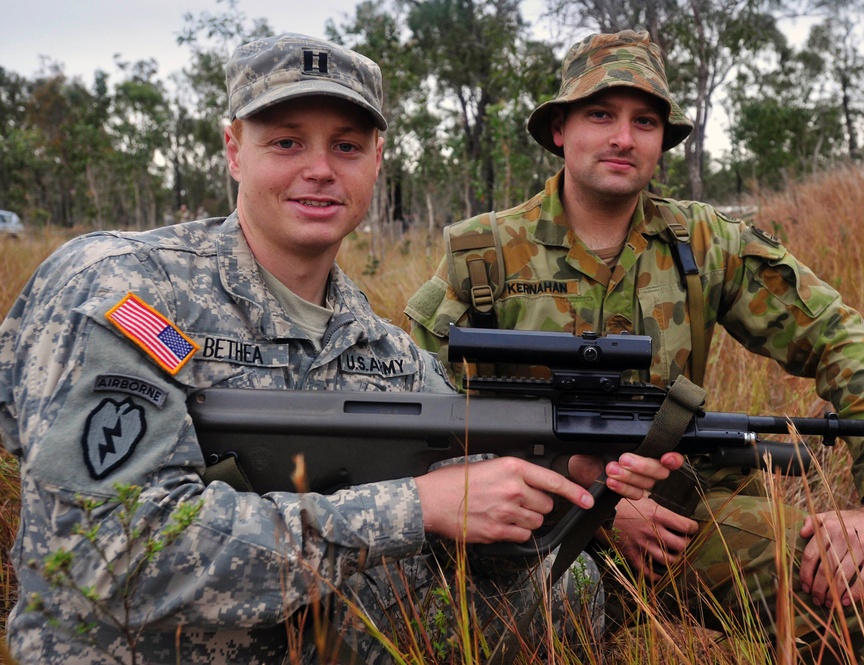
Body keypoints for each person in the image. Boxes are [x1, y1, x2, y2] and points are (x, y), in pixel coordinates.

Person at [0, 33, 682, 664]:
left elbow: (483, 562)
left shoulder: (387, 351)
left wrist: (568, 487)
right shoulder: (123, 287)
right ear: (235, 149)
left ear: (377, 161)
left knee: (577, 591)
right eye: (288, 143)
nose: (321, 170)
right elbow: (106, 555)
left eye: (348, 147)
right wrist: (415, 506)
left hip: (321, 640)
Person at [405, 29, 864, 662]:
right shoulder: (481, 254)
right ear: (559, 131)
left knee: (858, 586)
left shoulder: (706, 243)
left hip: (682, 511)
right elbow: (420, 417)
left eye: (645, 121)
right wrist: (590, 499)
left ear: (662, 141)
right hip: (525, 517)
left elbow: (837, 337)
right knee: (436, 627)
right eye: (600, 114)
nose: (623, 137)